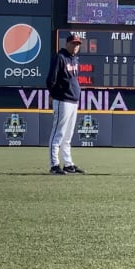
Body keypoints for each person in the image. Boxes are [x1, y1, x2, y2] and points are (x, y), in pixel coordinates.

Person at [46, 34, 86, 175]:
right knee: (58, 133)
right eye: (74, 43)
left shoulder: (74, 59)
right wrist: (53, 94)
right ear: (67, 43)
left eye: (78, 44)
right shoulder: (60, 57)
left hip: (73, 101)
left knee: (68, 135)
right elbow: (51, 79)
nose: (76, 46)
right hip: (62, 100)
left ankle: (68, 164)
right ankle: (54, 165)